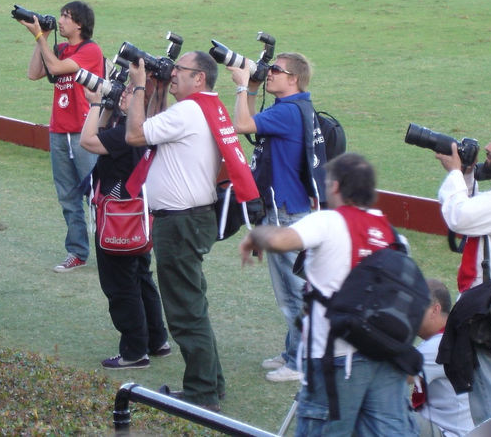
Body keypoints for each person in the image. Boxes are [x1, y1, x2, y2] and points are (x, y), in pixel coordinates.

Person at [239, 153, 416, 436]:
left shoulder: (328, 222)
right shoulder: (394, 237)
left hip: (336, 360)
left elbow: (280, 240)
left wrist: (254, 235)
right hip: (385, 359)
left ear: (335, 187)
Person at [125, 51, 225, 412]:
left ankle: (202, 393)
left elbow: (136, 133)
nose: (174, 73)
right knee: (194, 303)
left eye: (180, 69)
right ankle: (211, 382)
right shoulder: (204, 107)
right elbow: (155, 126)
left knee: (185, 311)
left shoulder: (188, 111)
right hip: (192, 218)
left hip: (180, 221)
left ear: (199, 77)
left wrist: (138, 86)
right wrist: (157, 88)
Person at [229, 52, 324, 382]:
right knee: (293, 289)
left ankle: (299, 363)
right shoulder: (296, 107)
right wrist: (253, 88)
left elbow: (241, 124)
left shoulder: (287, 112)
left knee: (293, 293)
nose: (269, 74)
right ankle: (291, 351)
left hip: (285, 213)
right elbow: (253, 125)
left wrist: (242, 88)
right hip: (289, 208)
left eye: (276, 71)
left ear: (293, 78)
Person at [435, 116, 491, 426]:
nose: (487, 146)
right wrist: (467, 178)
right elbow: (478, 216)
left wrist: (457, 174)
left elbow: (459, 216)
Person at [79, 81, 170, 370]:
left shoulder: (126, 134)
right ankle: (156, 340)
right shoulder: (145, 127)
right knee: (142, 276)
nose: (123, 94)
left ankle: (134, 351)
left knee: (121, 285)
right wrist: (107, 104)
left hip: (118, 219)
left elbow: (88, 140)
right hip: (138, 215)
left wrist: (94, 104)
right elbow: (102, 132)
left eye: (131, 91)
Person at [19, 0, 103, 272]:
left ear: (80, 24)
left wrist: (41, 37)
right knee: (68, 196)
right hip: (59, 132)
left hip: (85, 133)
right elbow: (34, 73)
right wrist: (39, 39)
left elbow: (55, 69)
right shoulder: (60, 48)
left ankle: (112, 248)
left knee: (96, 196)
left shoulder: (91, 50)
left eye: (66, 17)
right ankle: (77, 252)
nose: (61, 21)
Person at [411, 279, 473, 437]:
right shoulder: (456, 334)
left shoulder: (437, 346)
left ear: (434, 310)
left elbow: (391, 377)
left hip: (448, 432)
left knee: (382, 413)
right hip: (464, 429)